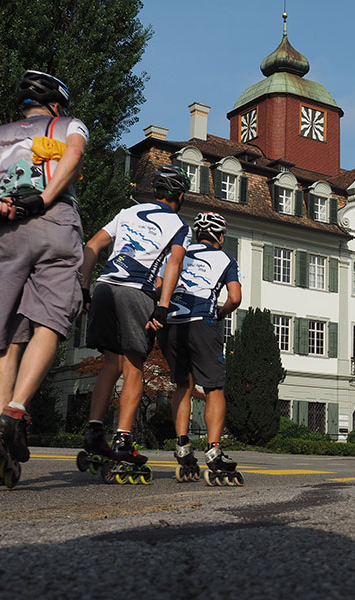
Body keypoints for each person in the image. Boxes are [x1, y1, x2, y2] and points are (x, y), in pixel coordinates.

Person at [0, 70, 88, 486]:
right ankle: (14, 413)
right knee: (50, 320)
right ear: (57, 103)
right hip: (52, 221)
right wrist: (46, 196)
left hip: (5, 228)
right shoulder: (68, 123)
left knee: (6, 334)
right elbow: (73, 156)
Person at [79, 165, 192, 471]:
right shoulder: (180, 225)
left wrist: (85, 288)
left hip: (104, 286)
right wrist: (163, 307)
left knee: (110, 364)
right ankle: (123, 440)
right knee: (133, 368)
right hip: (136, 292)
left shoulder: (128, 212)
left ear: (156, 191)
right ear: (179, 195)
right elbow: (174, 264)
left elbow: (92, 245)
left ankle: (93, 430)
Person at [154, 211, 243, 486]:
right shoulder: (226, 259)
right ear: (220, 236)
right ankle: (214, 451)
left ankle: (183, 447)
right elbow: (235, 297)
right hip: (203, 322)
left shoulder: (176, 253)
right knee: (214, 388)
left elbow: (158, 286)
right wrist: (220, 313)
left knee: (183, 385)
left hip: (171, 323)